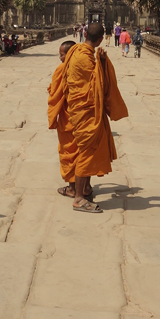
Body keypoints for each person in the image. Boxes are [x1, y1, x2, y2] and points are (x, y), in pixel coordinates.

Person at [61, 21, 128, 213]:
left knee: (87, 148)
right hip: (86, 112)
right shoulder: (87, 58)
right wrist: (104, 64)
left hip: (79, 108)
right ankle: (79, 198)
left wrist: (99, 63)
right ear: (100, 40)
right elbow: (99, 87)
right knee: (86, 151)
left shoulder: (76, 51)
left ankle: (85, 188)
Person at [48, 39, 95, 201]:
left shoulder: (62, 69)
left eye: (62, 54)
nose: (60, 58)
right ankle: (86, 187)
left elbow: (54, 93)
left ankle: (73, 189)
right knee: (82, 153)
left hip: (69, 118)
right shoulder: (87, 66)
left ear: (70, 54)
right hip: (83, 118)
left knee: (69, 153)